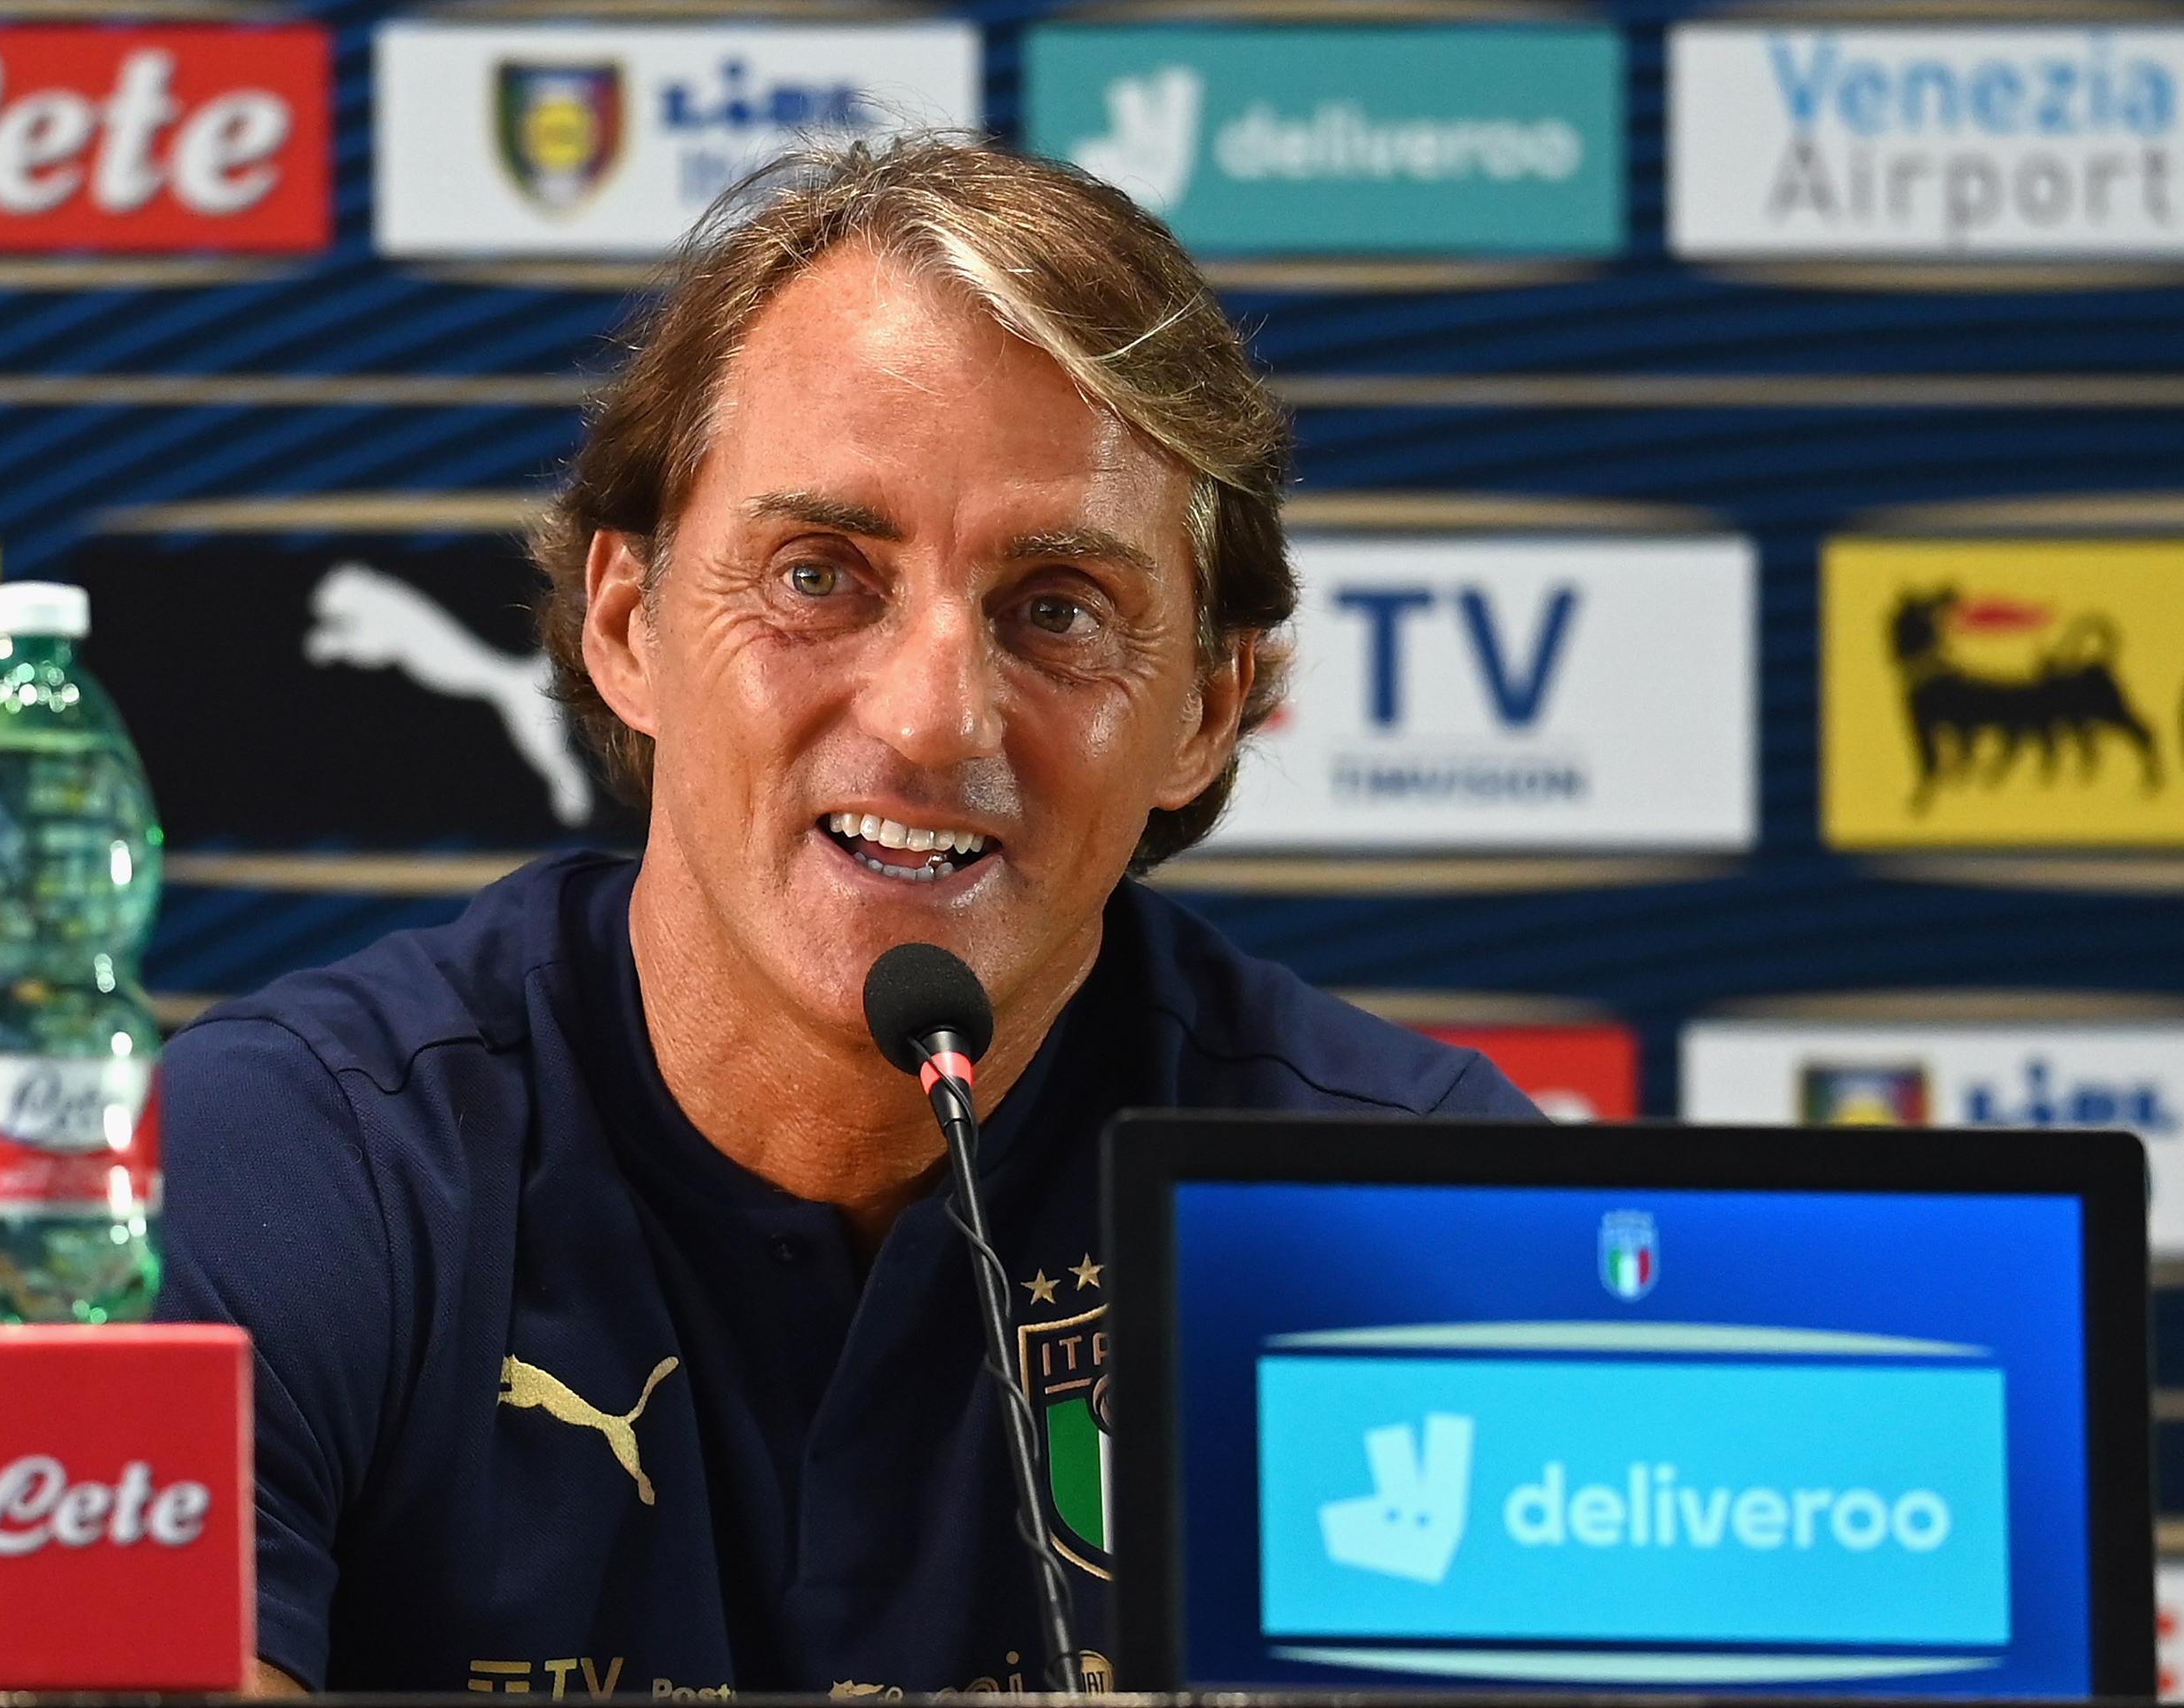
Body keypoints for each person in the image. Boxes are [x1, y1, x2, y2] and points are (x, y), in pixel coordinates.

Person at [157, 136, 1537, 1697]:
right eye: (822, 575)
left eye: (1060, 608)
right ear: (628, 627)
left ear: (1208, 712)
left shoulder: (1402, 1206)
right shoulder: (291, 1166)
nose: (938, 716)